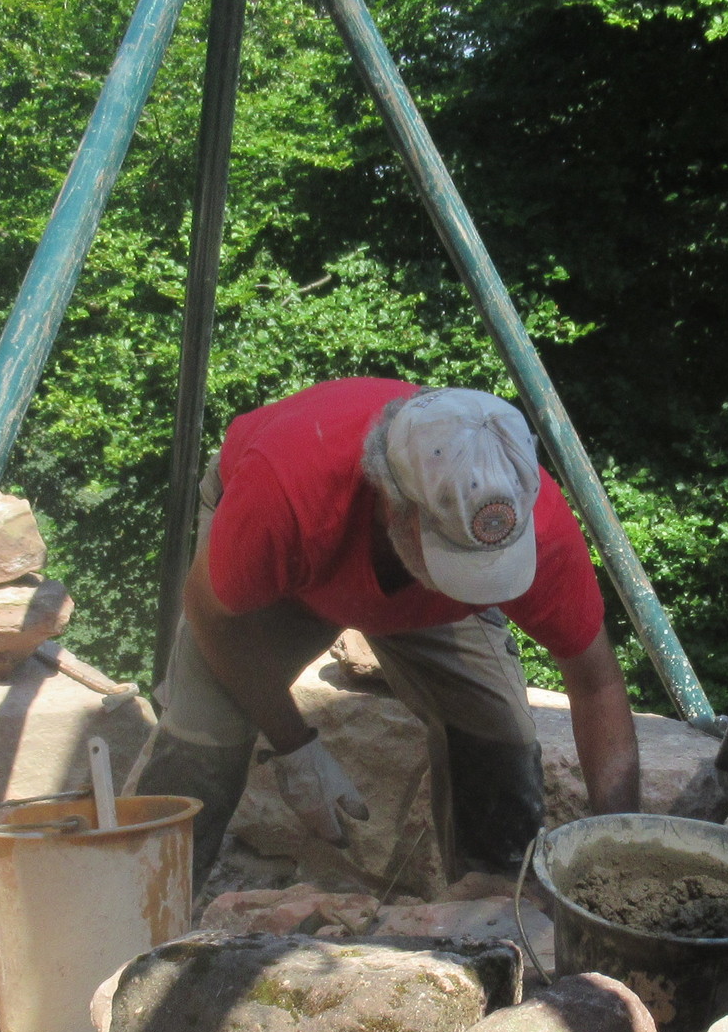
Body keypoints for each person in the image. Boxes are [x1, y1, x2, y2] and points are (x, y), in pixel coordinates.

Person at [136, 378, 643, 892]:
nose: (481, 580)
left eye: (490, 565)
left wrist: (621, 855)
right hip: (295, 570)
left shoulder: (522, 519)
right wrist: (294, 746)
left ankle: (491, 915)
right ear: (394, 505)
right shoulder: (287, 491)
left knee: (499, 738)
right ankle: (141, 913)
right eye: (459, 561)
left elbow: (596, 684)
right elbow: (212, 614)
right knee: (202, 738)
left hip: (416, 589)